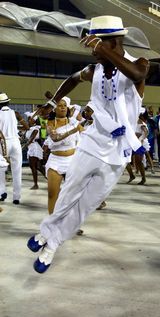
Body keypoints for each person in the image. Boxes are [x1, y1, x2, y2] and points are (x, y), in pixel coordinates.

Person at [27, 15, 149, 273]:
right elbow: (72, 78)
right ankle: (47, 237)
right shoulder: (94, 71)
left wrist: (102, 48)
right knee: (70, 191)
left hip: (118, 152)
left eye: (98, 46)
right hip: (93, 143)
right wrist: (52, 101)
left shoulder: (139, 64)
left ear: (114, 42)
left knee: (86, 205)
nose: (93, 53)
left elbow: (136, 73)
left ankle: (53, 241)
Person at [43, 98, 82, 214]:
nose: (63, 107)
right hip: (55, 161)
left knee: (73, 195)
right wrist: (72, 131)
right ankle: (52, 224)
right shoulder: (50, 123)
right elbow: (55, 139)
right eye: (59, 105)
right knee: (52, 193)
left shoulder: (74, 122)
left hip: (72, 160)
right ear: (54, 109)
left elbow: (86, 134)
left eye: (64, 105)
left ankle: (72, 223)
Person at [0, 92, 28, 204]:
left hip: (2, 143)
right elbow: (26, 127)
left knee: (1, 169)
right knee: (17, 170)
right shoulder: (15, 113)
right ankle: (16, 197)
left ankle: (2, 192)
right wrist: (15, 127)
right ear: (8, 102)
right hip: (15, 142)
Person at [23, 116, 45, 189]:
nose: (29, 120)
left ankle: (36, 184)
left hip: (34, 148)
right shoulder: (28, 129)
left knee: (33, 166)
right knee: (38, 167)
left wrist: (22, 148)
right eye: (28, 119)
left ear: (34, 121)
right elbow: (24, 138)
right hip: (31, 147)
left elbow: (30, 140)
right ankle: (50, 179)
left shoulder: (36, 129)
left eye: (31, 119)